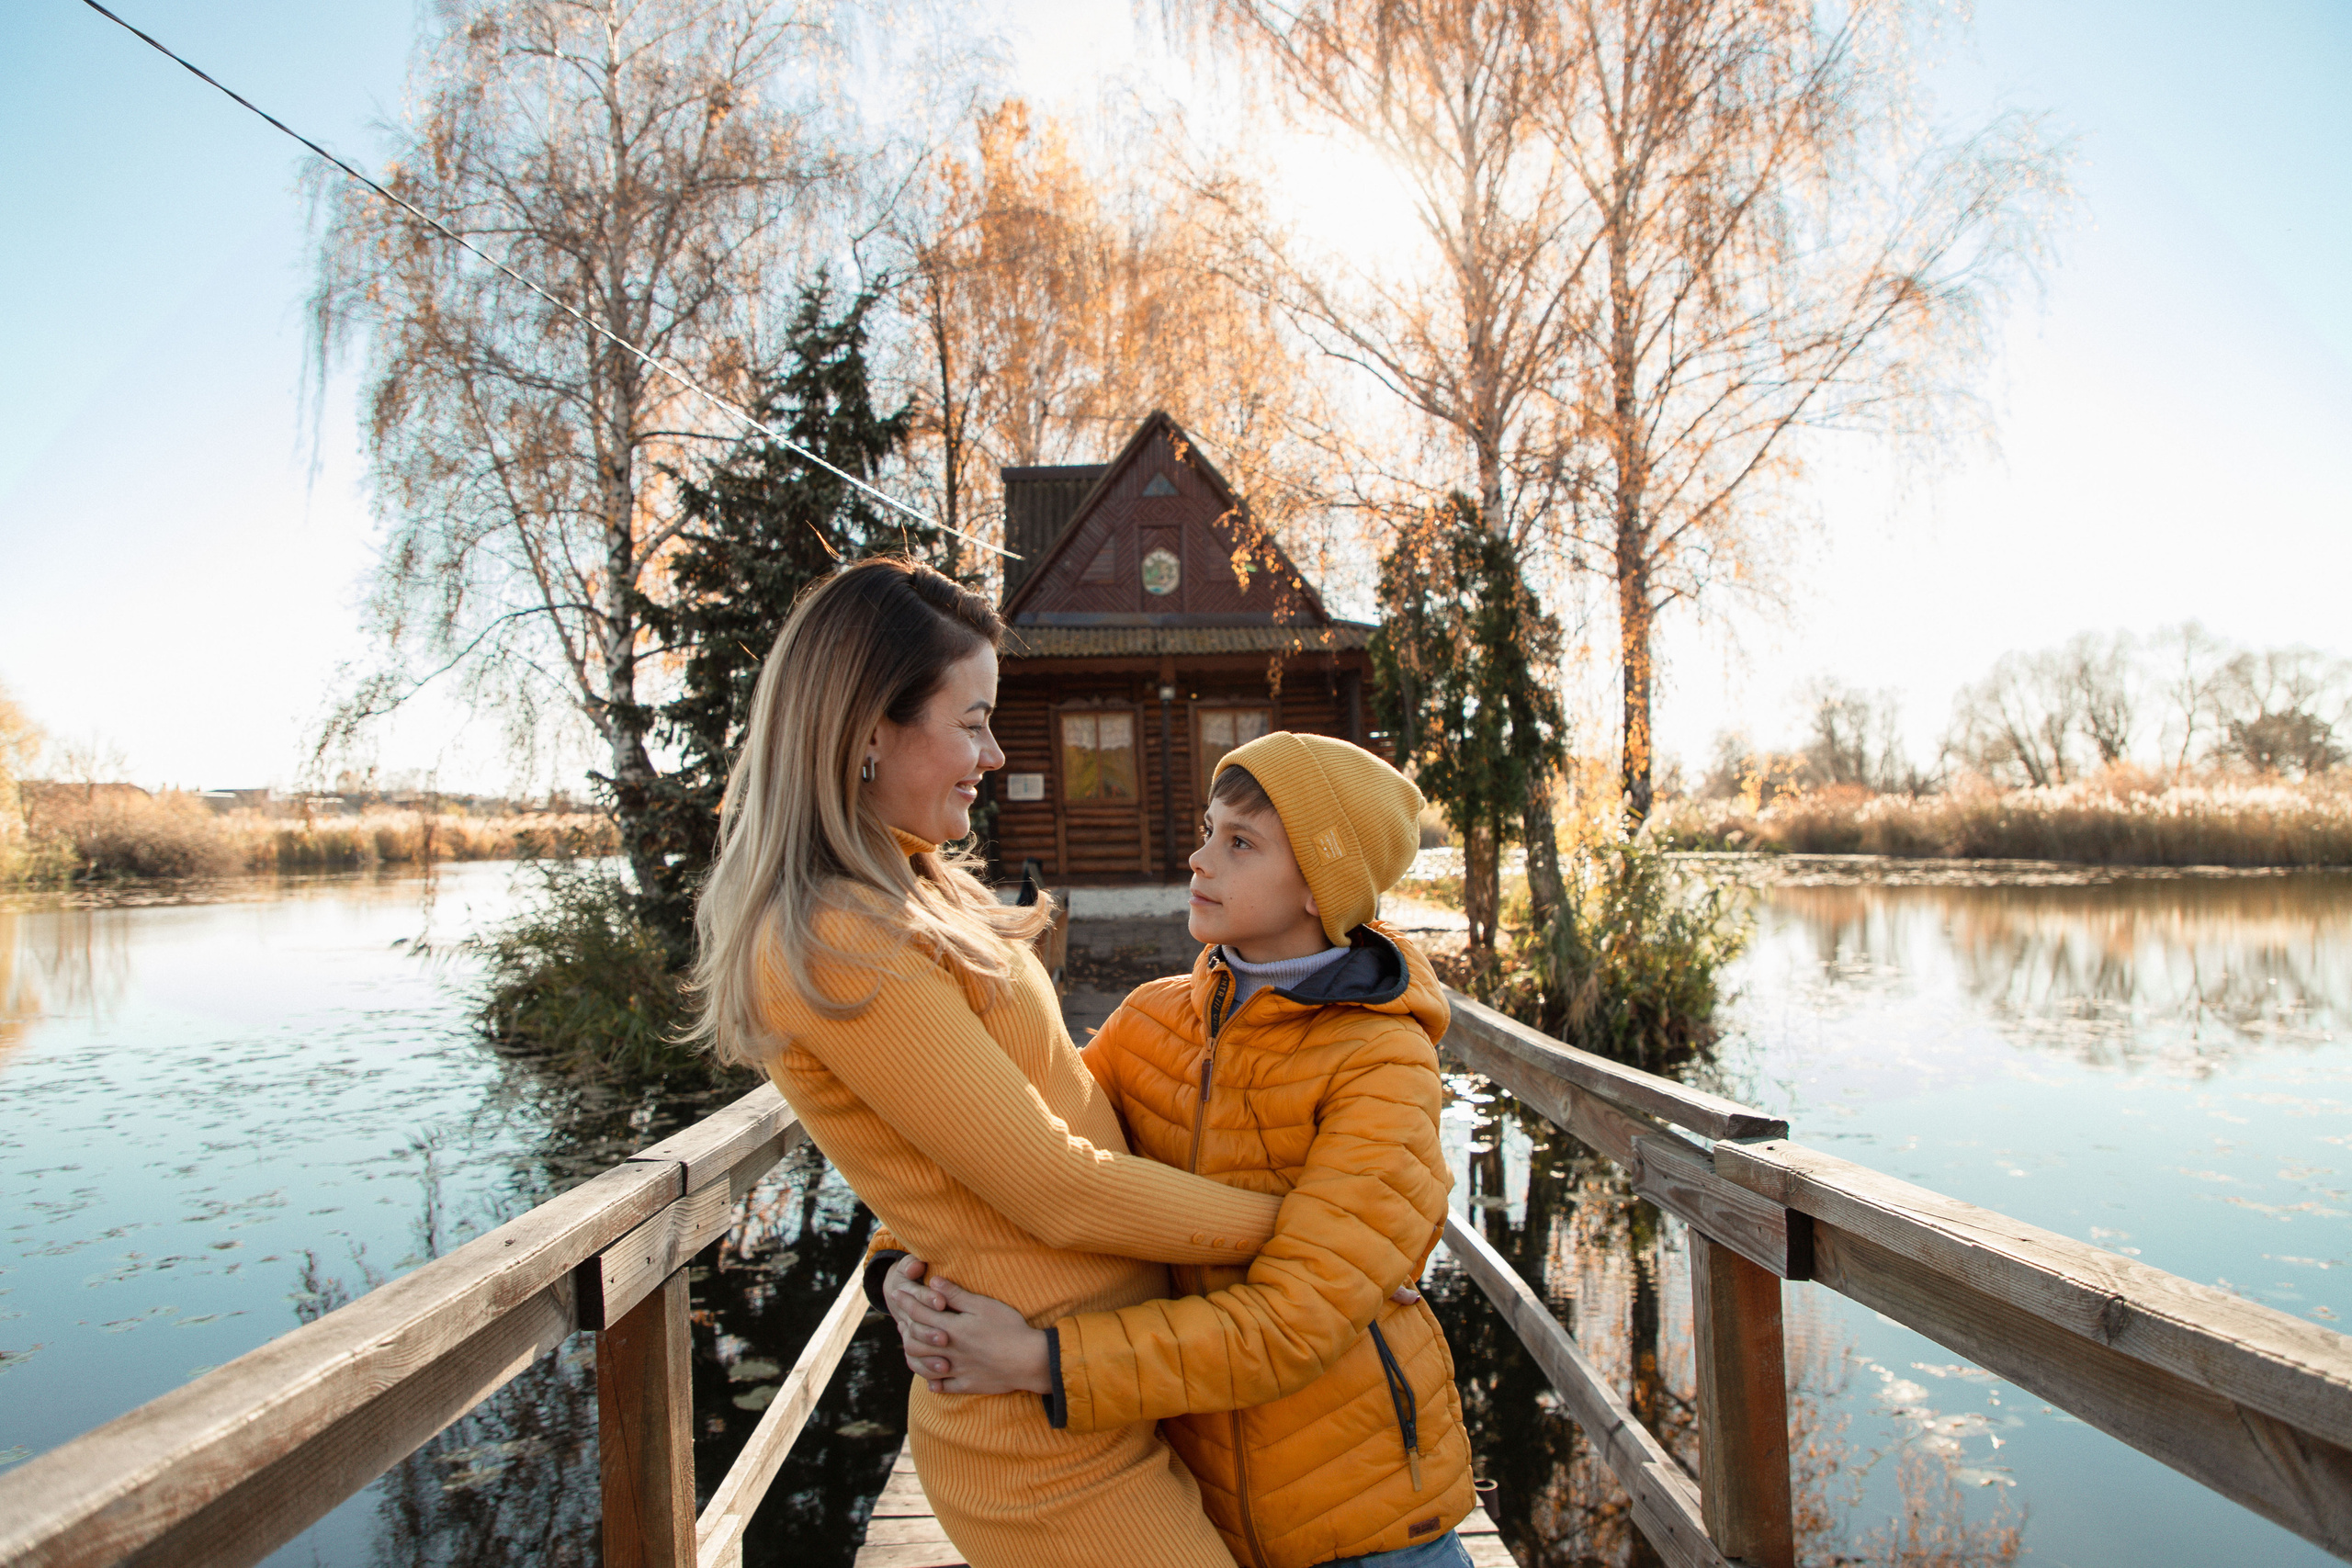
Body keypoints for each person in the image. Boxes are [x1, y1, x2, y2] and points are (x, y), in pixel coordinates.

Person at [686, 557, 1292, 1568]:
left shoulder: (914, 893)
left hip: (1111, 1380)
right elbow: (1051, 1186)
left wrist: (892, 1260)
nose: (996, 753)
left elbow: (984, 1121)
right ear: (869, 731)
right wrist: (1311, 1236)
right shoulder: (837, 939)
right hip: (1044, 1447)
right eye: (970, 722)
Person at [876, 731, 1478, 1568]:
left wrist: (1040, 1360)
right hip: (1189, 1512)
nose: (1198, 859)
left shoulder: (1384, 1062)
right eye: (1206, 829)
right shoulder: (1150, 1021)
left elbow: (1293, 1323)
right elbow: (1010, 1145)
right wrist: (899, 1261)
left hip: (1363, 1525)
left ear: (1319, 885)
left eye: (1240, 843)